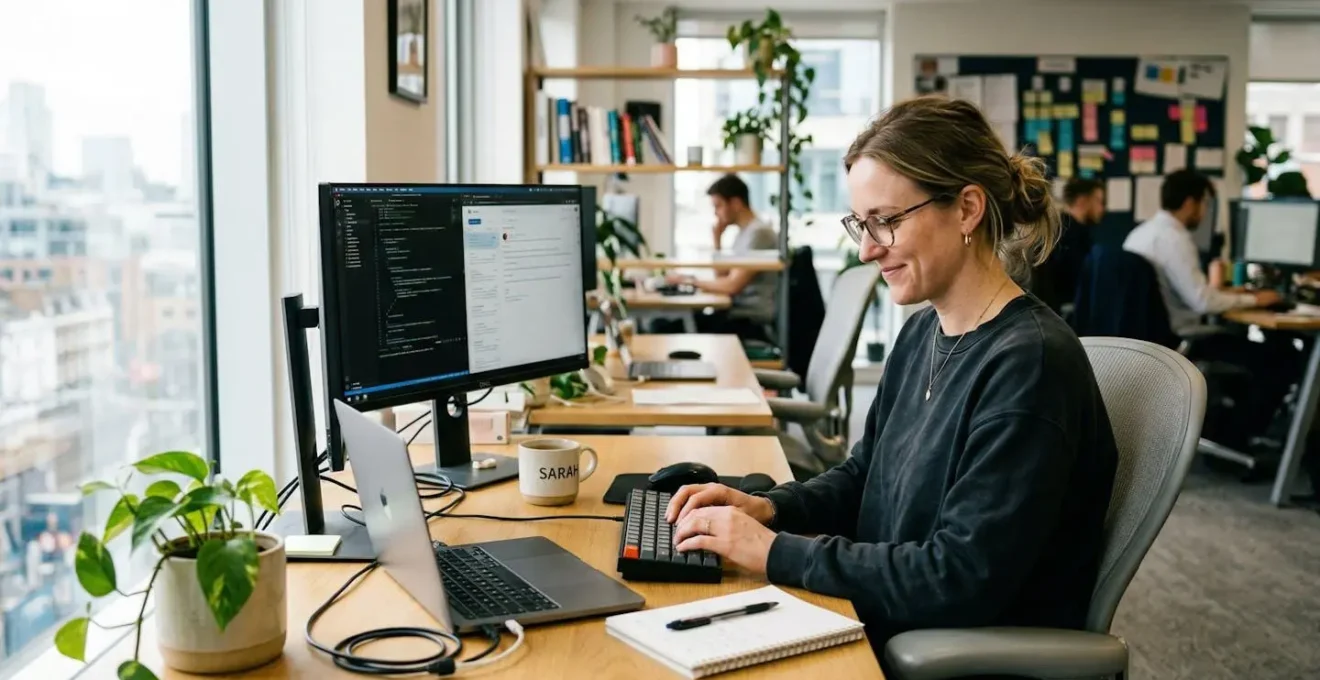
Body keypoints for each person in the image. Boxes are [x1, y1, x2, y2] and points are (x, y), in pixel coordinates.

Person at [663, 96, 1119, 662]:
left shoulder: (1031, 365)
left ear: (967, 209)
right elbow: (864, 475)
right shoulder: (922, 331)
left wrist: (776, 552)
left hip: (943, 653)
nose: (866, 248)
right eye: (861, 222)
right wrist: (772, 509)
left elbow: (958, 578)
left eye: (886, 221)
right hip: (881, 614)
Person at [1124, 169, 1293, 449]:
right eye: (1204, 204)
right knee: (1281, 359)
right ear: (1190, 202)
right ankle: (1235, 439)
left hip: (1151, 336)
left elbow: (1192, 293)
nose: (1204, 213)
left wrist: (1230, 294)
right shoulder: (1174, 238)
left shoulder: (1141, 233)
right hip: (1182, 337)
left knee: (1258, 353)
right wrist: (1255, 300)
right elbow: (1202, 302)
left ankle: (1227, 427)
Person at [665, 174, 778, 341]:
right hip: (736, 313)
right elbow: (722, 277)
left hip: (750, 321)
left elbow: (732, 286)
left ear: (736, 203)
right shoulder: (744, 233)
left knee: (666, 327)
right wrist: (717, 239)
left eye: (718, 206)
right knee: (671, 323)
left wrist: (691, 282)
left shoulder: (759, 234)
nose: (716, 214)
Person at [1032, 177, 1104, 314]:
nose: (1102, 208)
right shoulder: (1069, 236)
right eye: (1098, 201)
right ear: (1083, 201)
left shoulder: (1058, 229)